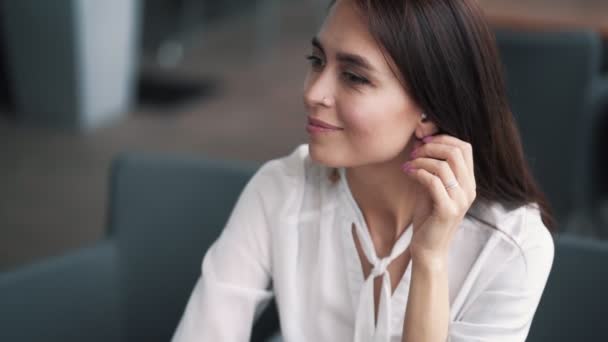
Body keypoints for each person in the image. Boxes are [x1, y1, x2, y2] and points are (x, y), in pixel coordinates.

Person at [171, 0, 555, 341]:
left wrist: (429, 261)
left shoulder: (512, 247)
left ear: (428, 111)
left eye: (354, 77)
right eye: (317, 61)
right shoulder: (281, 188)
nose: (313, 93)